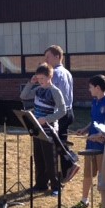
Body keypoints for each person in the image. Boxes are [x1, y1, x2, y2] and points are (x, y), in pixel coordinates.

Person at [20, 63, 79, 195]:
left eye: (42, 79)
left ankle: (56, 186)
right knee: (39, 158)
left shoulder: (55, 91)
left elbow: (63, 111)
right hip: (37, 129)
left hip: (49, 130)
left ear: (50, 77)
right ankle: (41, 184)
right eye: (38, 79)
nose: (40, 81)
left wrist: (47, 119)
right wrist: (31, 82)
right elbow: (23, 96)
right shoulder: (38, 90)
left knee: (50, 159)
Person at [71, 75, 105, 208]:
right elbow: (93, 121)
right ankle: (84, 200)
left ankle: (104, 202)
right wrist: (85, 129)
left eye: (90, 87)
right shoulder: (94, 102)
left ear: (98, 88)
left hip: (102, 146)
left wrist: (100, 136)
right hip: (90, 144)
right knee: (87, 174)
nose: (89, 90)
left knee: (103, 175)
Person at [44, 45, 76, 179]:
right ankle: (66, 169)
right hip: (68, 111)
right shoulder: (67, 72)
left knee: (56, 144)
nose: (46, 61)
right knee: (61, 141)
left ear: (57, 57)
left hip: (60, 112)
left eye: (48, 57)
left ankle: (69, 163)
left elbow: (52, 93)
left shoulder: (56, 73)